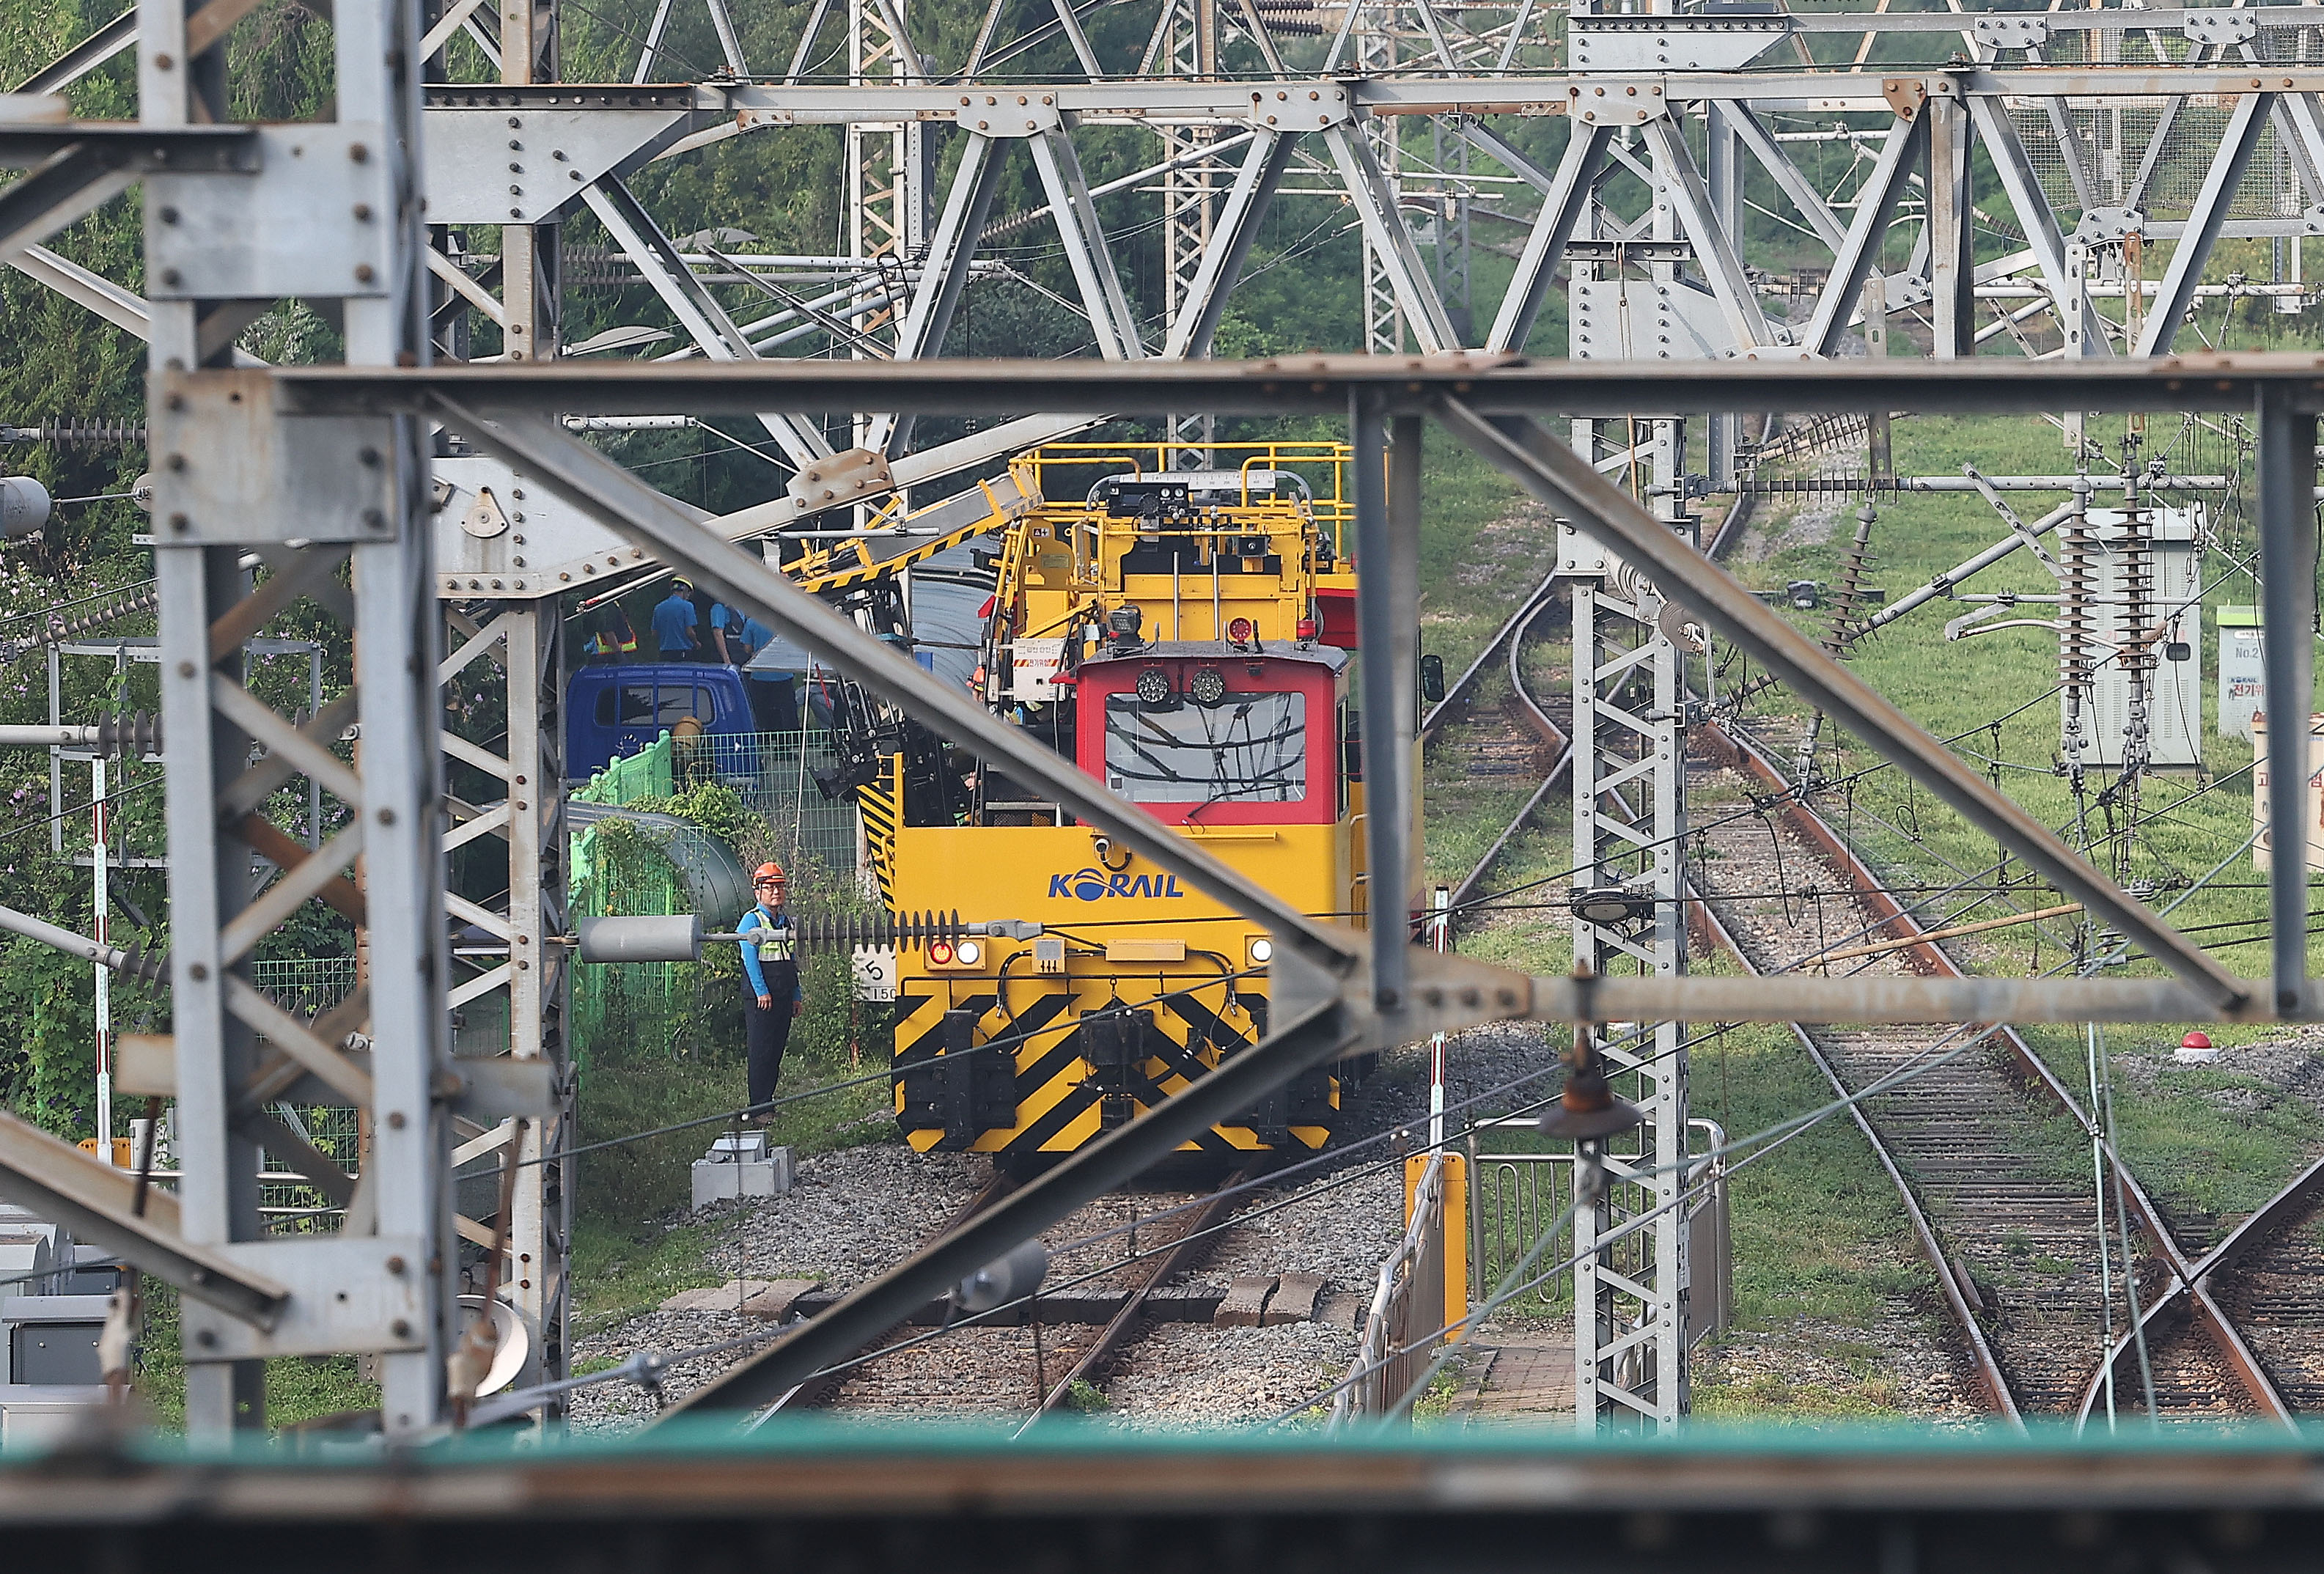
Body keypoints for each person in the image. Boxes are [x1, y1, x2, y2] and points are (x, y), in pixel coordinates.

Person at [738, 861, 804, 1121]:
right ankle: (758, 1108)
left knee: (775, 1051)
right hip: (762, 1000)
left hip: (783, 994)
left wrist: (796, 995)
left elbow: (791, 960)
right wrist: (761, 991)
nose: (776, 892)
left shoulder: (785, 921)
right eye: (770, 887)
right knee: (761, 1052)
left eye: (780, 886)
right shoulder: (751, 920)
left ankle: (768, 1104)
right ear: (758, 891)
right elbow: (749, 958)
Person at [652, 578, 701, 661]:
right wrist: (696, 643)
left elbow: (655, 633)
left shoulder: (658, 608)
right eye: (689, 593)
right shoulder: (688, 606)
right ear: (685, 590)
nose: (688, 596)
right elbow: (690, 632)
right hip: (683, 654)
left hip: (664, 654)